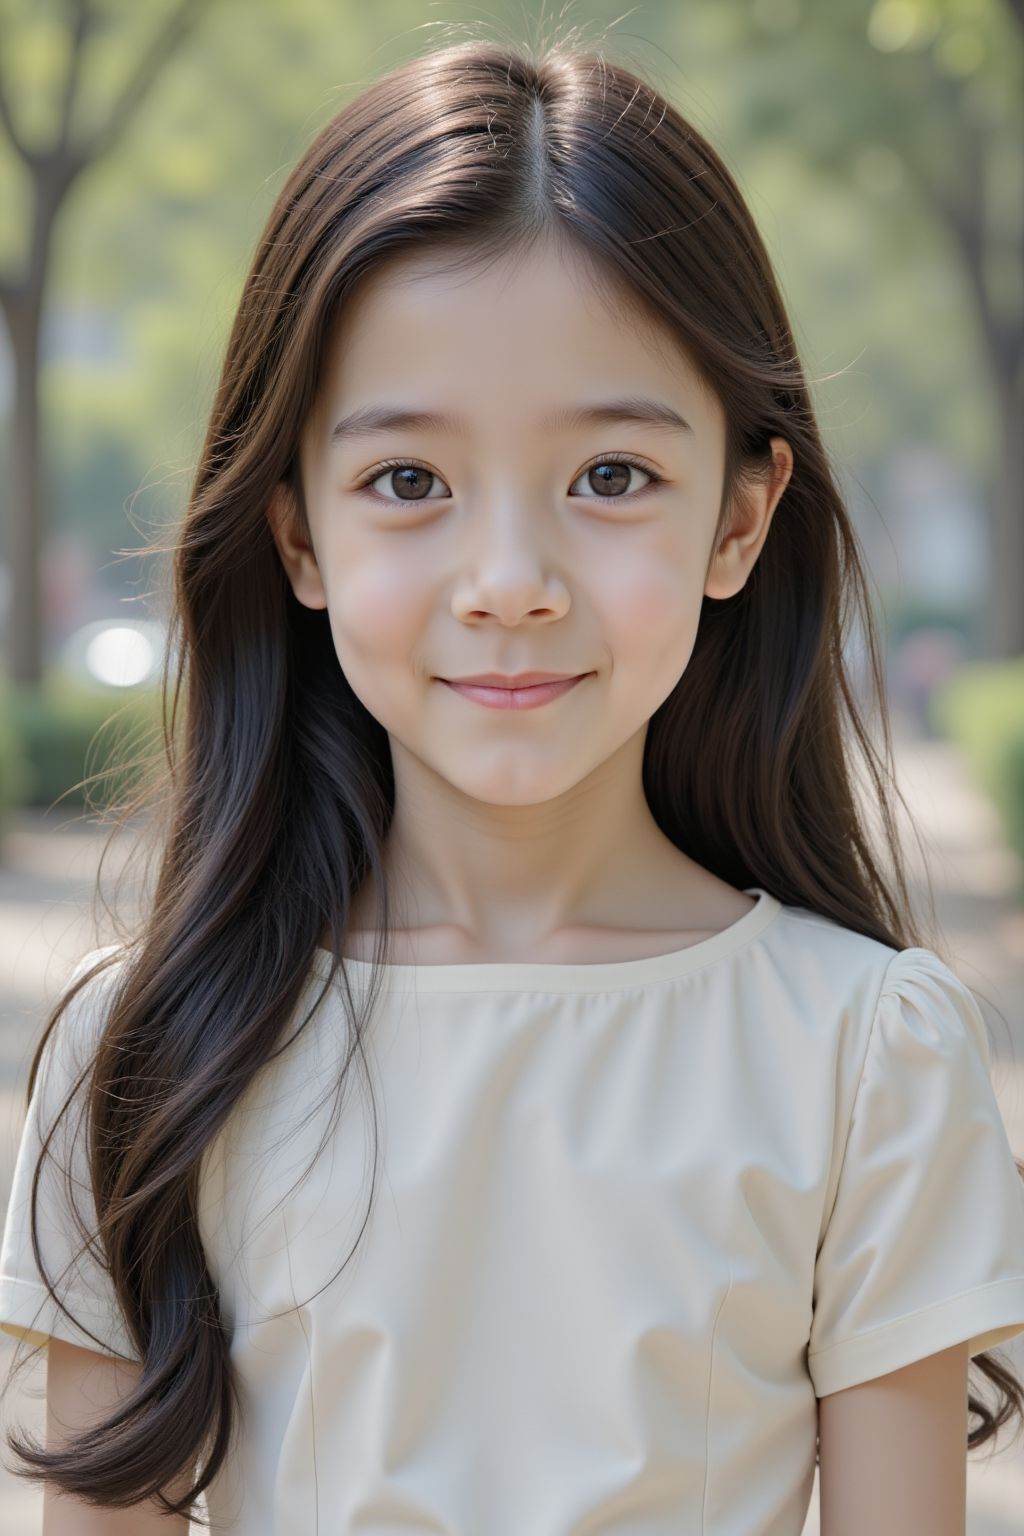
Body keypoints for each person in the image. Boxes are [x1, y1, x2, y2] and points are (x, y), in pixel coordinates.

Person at [2, 34, 1023, 1536]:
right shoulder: (150, 1059)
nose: (509, 581)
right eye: (408, 482)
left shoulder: (862, 1053)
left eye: (611, 477)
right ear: (298, 535)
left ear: (740, 522)